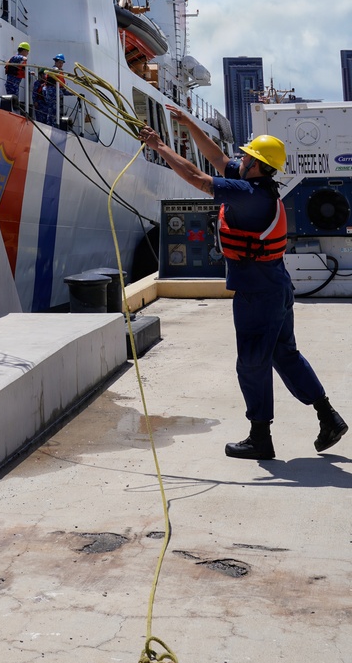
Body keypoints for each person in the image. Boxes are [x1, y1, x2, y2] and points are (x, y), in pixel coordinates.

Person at [140, 112, 347, 460]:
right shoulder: (256, 186)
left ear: (257, 165)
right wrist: (189, 125)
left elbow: (197, 178)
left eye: (247, 156)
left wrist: (160, 146)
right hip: (275, 286)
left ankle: (260, 438)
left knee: (252, 362)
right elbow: (218, 158)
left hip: (257, 294)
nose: (241, 158)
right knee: (284, 354)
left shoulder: (249, 194)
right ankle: (328, 417)